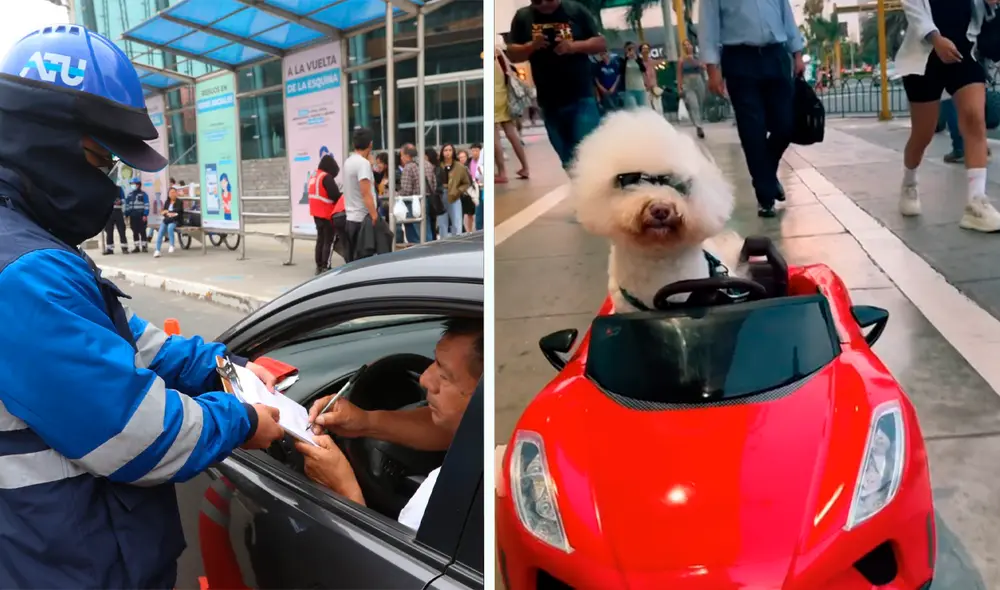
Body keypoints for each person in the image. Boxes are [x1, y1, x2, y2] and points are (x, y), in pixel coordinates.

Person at [0, 25, 285, 588]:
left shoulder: (33, 249)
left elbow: (139, 343)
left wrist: (225, 368)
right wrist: (246, 419)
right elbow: (138, 436)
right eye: (100, 160)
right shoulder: (25, 273)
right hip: (70, 566)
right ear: (44, 138)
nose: (108, 182)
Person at [296, 318, 484, 530]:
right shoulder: (478, 432)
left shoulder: (445, 494)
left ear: (481, 395)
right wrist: (364, 421)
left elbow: (392, 562)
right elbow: (452, 428)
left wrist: (343, 489)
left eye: (444, 374)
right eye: (434, 362)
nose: (425, 379)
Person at [895, 0, 1000, 231]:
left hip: (964, 52)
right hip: (925, 57)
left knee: (975, 119)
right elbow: (912, 8)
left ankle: (976, 202)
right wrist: (935, 39)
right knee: (923, 134)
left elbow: (984, 12)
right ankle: (909, 182)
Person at [700, 0, 805, 218]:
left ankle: (766, 174)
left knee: (784, 125)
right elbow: (708, 26)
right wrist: (712, 69)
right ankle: (765, 197)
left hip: (776, 56)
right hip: (740, 59)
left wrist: (797, 53)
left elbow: (785, 14)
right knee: (752, 131)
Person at [507, 0, 607, 169]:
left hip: (580, 95)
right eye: (537, 1)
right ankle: (583, 189)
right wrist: (531, 46)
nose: (544, 4)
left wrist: (574, 46)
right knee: (567, 158)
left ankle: (598, 188)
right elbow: (512, 54)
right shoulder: (523, 17)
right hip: (549, 101)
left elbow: (600, 43)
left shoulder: (575, 10)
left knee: (590, 152)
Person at [343, 128, 380, 261]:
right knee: (365, 262)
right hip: (362, 220)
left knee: (353, 261)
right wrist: (374, 215)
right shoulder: (362, 164)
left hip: (351, 217)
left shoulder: (349, 161)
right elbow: (366, 193)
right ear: (370, 144)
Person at [495, 47, 530, 183]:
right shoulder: (498, 52)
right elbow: (509, 72)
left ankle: (502, 172)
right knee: (512, 134)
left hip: (493, 98)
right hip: (504, 97)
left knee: (494, 136)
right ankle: (525, 167)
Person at [308, 154, 343, 275]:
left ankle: (319, 265)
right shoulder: (326, 177)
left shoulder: (314, 176)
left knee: (320, 239)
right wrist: (342, 194)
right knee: (329, 240)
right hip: (326, 213)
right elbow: (334, 195)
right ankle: (326, 266)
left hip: (316, 213)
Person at [437, 144, 472, 238]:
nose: (447, 153)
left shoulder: (459, 166)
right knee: (442, 223)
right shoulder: (438, 165)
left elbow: (467, 182)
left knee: (457, 221)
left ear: (453, 152)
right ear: (442, 152)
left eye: (450, 150)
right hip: (440, 195)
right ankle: (443, 242)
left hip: (454, 195)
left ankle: (457, 241)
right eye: (445, 150)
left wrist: (458, 191)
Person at [678, 39, 707, 139]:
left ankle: (700, 122)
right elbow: (679, 74)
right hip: (688, 82)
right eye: (684, 45)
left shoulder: (698, 57)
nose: (687, 46)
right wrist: (680, 87)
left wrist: (693, 60)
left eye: (688, 44)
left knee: (700, 103)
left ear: (692, 46)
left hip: (698, 80)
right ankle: (699, 127)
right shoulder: (681, 60)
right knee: (693, 104)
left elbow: (704, 67)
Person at [398, 145, 424, 244]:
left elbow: (406, 190)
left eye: (402, 155)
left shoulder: (408, 168)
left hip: (412, 204)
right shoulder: (421, 165)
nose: (401, 158)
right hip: (423, 201)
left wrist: (397, 194)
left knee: (413, 236)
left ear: (407, 155)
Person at [154, 187, 183, 257]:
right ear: (168, 194)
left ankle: (172, 245)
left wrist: (169, 212)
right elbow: (164, 212)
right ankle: (157, 250)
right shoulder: (167, 202)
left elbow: (178, 211)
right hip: (167, 220)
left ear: (176, 193)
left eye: (173, 192)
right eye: (170, 193)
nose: (172, 194)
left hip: (175, 220)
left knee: (170, 227)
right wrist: (166, 213)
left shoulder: (179, 202)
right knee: (160, 232)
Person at [124, 177, 150, 253]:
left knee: (142, 231)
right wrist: (126, 214)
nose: (133, 185)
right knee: (134, 232)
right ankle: (137, 247)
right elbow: (127, 206)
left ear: (139, 184)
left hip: (141, 216)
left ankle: (144, 246)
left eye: (134, 184)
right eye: (132, 184)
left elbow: (147, 205)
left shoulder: (143, 194)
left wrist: (145, 214)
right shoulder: (129, 195)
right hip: (133, 216)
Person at [638, 43, 665, 113]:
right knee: (648, 108)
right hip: (645, 88)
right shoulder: (639, 63)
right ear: (641, 51)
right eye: (644, 49)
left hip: (654, 87)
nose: (646, 50)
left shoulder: (652, 61)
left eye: (647, 49)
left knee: (658, 108)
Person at [621, 41, 649, 109]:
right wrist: (627, 58)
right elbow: (621, 71)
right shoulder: (624, 61)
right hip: (629, 89)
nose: (631, 50)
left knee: (642, 109)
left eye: (632, 48)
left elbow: (643, 69)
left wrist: (635, 59)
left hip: (640, 88)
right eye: (629, 49)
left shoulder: (639, 59)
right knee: (633, 109)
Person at [594, 50, 623, 114]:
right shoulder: (598, 65)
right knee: (606, 110)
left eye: (604, 54)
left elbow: (618, 76)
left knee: (615, 109)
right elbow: (596, 79)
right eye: (601, 55)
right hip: (603, 91)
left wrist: (613, 87)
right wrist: (601, 88)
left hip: (613, 90)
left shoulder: (614, 64)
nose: (603, 56)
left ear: (608, 53)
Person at [103, 185, 129, 255]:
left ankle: (124, 248)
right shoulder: (105, 188)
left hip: (118, 212)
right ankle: (109, 249)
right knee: (109, 231)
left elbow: (124, 199)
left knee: (121, 230)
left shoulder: (119, 189)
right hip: (109, 212)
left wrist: (120, 201)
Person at [457, 149, 477, 233]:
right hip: (460, 193)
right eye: (460, 157)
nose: (462, 159)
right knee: (461, 213)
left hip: (469, 192)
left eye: (463, 157)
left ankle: (469, 231)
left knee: (470, 214)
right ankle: (465, 230)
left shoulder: (470, 166)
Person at [470, 143, 485, 230]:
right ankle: (479, 230)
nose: (474, 153)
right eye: (473, 151)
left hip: (482, 186)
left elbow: (479, 173)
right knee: (478, 211)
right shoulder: (469, 162)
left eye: (476, 150)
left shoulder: (484, 152)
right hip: (476, 188)